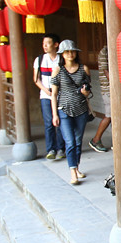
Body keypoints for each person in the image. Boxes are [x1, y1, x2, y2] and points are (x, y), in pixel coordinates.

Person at [50, 40, 91, 185]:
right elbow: (53, 94)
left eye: (72, 51)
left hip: (81, 109)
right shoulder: (57, 70)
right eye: (67, 52)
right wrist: (54, 114)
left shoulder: (83, 69)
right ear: (62, 54)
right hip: (64, 109)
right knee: (70, 141)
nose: (70, 54)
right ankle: (72, 171)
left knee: (78, 141)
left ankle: (77, 166)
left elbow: (88, 91)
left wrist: (85, 92)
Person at [33, 33, 64, 160]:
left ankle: (61, 148)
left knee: (61, 121)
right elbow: (36, 79)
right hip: (46, 95)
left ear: (56, 45)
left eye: (48, 43)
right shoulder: (39, 59)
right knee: (49, 123)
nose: (45, 46)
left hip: (61, 95)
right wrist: (46, 90)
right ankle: (51, 149)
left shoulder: (61, 59)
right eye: (43, 44)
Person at [89, 44, 111, 152]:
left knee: (112, 116)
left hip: (112, 89)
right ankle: (95, 139)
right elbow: (105, 71)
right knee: (109, 116)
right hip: (109, 90)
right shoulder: (104, 52)